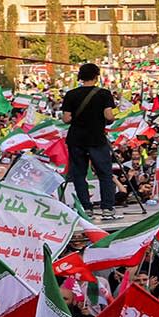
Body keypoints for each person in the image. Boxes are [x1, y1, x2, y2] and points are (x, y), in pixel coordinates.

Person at [61, 62, 119, 218]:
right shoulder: (104, 94)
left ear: (80, 77)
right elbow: (108, 116)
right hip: (96, 138)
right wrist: (110, 119)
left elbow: (66, 118)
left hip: (76, 139)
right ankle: (107, 208)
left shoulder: (71, 94)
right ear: (96, 76)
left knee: (79, 174)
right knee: (104, 173)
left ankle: (86, 208)